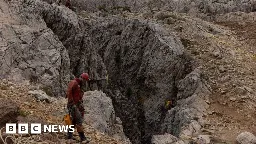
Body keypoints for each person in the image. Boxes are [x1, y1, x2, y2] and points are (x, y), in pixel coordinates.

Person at [66, 73, 90, 143]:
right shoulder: (74, 82)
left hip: (76, 105)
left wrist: (80, 104)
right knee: (79, 120)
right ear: (82, 78)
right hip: (73, 105)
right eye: (85, 80)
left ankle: (69, 136)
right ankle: (83, 138)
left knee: (73, 121)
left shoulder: (79, 85)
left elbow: (78, 96)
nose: (85, 82)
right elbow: (69, 92)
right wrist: (71, 103)